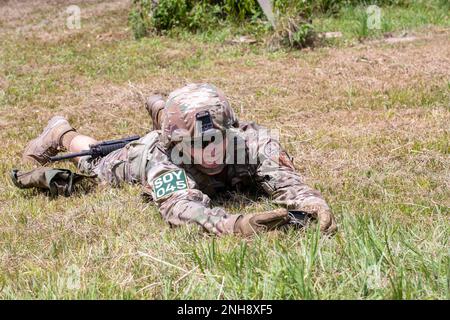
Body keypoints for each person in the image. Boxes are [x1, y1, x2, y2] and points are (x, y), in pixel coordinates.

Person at [22, 83, 336, 236]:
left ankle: (161, 108)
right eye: (199, 144)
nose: (212, 150)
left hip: (175, 129)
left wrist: (313, 204)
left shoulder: (249, 143)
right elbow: (183, 209)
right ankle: (62, 132)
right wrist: (239, 225)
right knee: (96, 162)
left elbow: (287, 181)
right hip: (142, 155)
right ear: (177, 143)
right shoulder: (164, 157)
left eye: (218, 139)